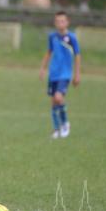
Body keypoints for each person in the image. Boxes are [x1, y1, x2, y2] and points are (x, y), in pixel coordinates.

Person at [39, 11, 81, 139]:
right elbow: (49, 52)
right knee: (53, 102)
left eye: (62, 21)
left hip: (65, 74)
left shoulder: (71, 38)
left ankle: (65, 123)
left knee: (58, 98)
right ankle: (56, 129)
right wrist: (43, 68)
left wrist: (77, 74)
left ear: (67, 22)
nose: (60, 23)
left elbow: (77, 56)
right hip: (53, 73)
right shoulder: (52, 37)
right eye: (57, 21)